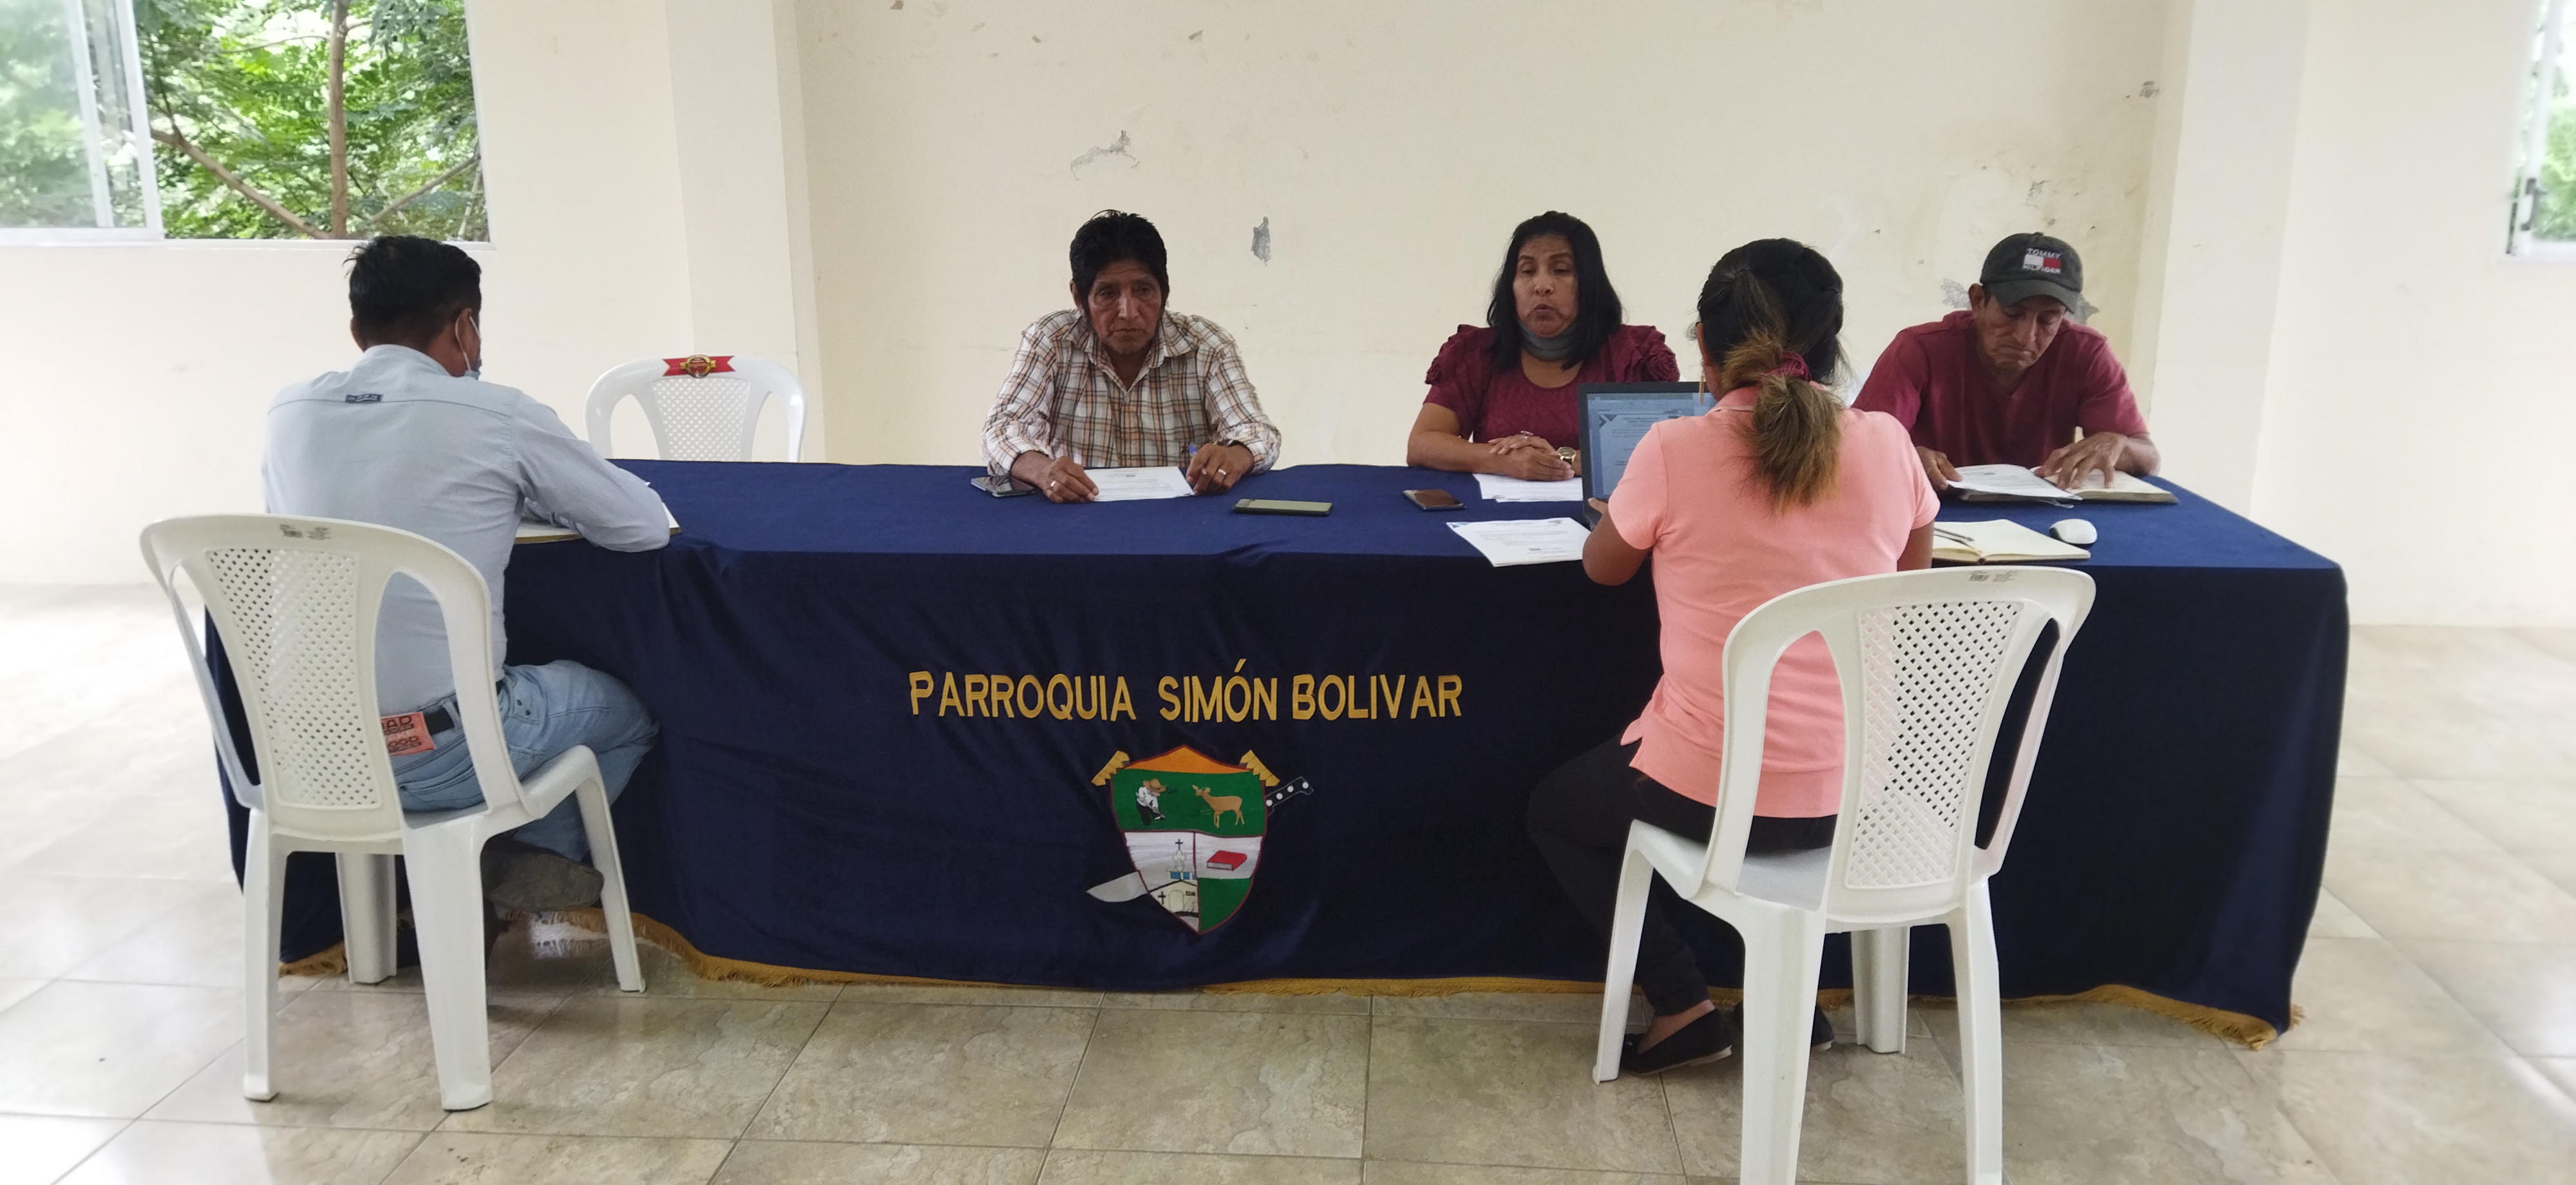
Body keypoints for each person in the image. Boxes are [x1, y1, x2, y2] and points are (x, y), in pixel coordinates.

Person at [1526, 239, 1937, 1076]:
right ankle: (1790, 999)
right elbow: (1907, 583)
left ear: (1707, 356)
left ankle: (1682, 1002)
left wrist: (1627, 514)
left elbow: (1603, 569)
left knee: (1555, 811)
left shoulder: (1672, 450)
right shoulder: (1890, 445)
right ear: (1831, 348)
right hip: (1858, 793)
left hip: (1712, 797)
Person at [262, 236, 669, 915]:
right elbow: (642, 526)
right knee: (629, 714)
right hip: (437, 753)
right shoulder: (496, 414)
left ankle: (470, 891)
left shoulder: (289, 412)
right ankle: (515, 866)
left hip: (306, 755)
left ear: (358, 332)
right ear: (464, 326)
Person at [983, 210, 1283, 503]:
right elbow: (1002, 430)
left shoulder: (1207, 345)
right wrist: (1043, 470)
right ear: (1079, 298)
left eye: (1143, 290)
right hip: (1078, 512)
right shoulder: (1051, 341)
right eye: (1107, 294)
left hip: (1180, 518)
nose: (1128, 312)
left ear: (1165, 292)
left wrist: (1234, 455)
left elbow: (1257, 432)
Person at [1855, 232, 2159, 491]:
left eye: (2048, 319)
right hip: (1937, 509)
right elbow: (1853, 450)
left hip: (2045, 513)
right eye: (2013, 314)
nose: (2026, 337)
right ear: (1978, 301)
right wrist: (1904, 457)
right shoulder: (1921, 349)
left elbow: (2149, 457)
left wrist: (2118, 444)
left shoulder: (2085, 352)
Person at [1406, 212, 1678, 480]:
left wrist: (1561, 459)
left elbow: (1664, 455)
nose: (1542, 286)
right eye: (1527, 271)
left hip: (1606, 508)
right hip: (1494, 508)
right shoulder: (1477, 352)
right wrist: (1505, 461)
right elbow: (1422, 443)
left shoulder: (1632, 355)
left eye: (1561, 271)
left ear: (1589, 283)